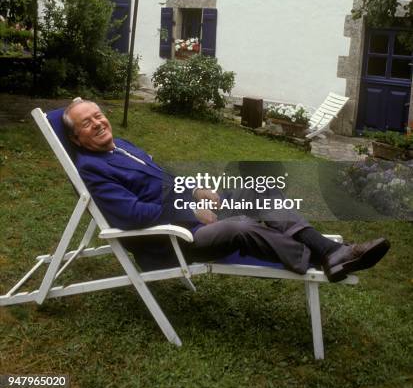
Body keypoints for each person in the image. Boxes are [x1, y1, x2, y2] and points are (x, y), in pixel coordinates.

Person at [62, 99, 390, 282]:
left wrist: (194, 190)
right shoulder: (92, 169)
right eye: (87, 123)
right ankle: (323, 257)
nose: (99, 123)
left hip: (186, 213)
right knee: (240, 227)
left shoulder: (119, 145)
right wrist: (186, 212)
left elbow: (161, 177)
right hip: (171, 239)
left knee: (257, 193)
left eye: (98, 115)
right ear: (77, 139)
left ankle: (329, 252)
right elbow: (132, 216)